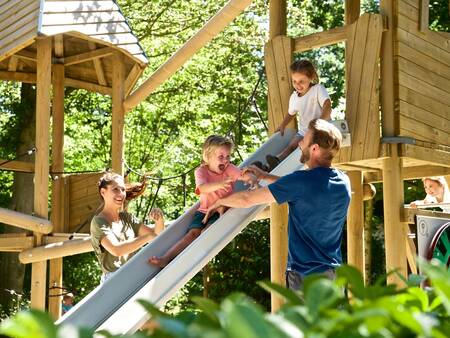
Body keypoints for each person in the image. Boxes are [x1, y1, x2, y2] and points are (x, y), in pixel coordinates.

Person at [204, 119, 351, 290]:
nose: (300, 143)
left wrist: (220, 201)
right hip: (334, 275)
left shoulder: (301, 182)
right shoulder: (343, 181)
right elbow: (302, 188)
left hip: (306, 277)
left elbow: (247, 199)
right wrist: (265, 176)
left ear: (314, 148)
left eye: (304, 140)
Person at [149, 135, 257, 267]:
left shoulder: (229, 168)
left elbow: (243, 174)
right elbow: (202, 188)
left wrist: (252, 178)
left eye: (228, 156)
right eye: (221, 157)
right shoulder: (201, 171)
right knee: (191, 235)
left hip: (221, 210)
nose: (226, 160)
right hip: (203, 210)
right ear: (208, 157)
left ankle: (191, 261)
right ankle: (166, 258)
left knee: (206, 233)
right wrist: (220, 184)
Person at [90, 172, 165, 282]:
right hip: (114, 280)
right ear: (103, 192)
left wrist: (159, 220)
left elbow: (157, 236)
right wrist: (148, 237)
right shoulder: (98, 222)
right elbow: (117, 250)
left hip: (135, 273)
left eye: (123, 189)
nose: (121, 193)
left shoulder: (127, 218)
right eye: (115, 189)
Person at [265, 59, 332, 170]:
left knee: (304, 147)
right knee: (291, 146)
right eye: (294, 81)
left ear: (311, 78)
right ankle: (276, 161)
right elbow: (291, 113)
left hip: (321, 131)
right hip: (304, 131)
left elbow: (327, 106)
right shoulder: (294, 97)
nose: (297, 85)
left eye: (301, 81)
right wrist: (283, 125)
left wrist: (320, 123)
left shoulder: (317, 89)